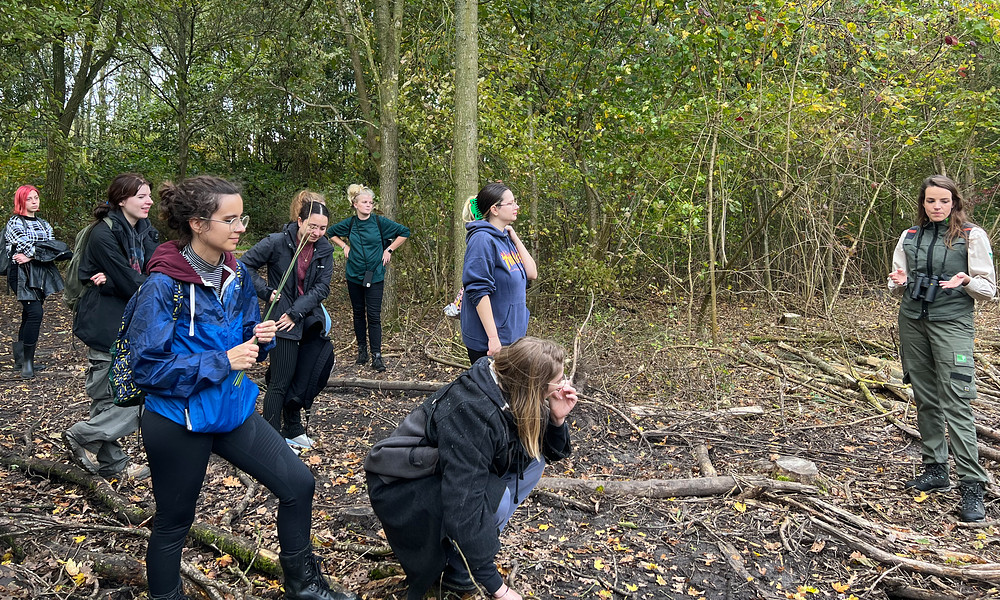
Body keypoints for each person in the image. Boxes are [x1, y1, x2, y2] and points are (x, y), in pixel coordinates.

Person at [127, 176, 358, 600]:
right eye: (229, 219)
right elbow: (146, 368)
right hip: (178, 419)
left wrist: (259, 338)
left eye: (242, 217)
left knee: (298, 483)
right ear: (198, 224)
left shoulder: (235, 274)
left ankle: (303, 586)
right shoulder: (163, 284)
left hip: (230, 409)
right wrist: (223, 360)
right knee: (174, 522)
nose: (240, 228)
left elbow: (243, 344)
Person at [365, 337, 578, 600]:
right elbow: (463, 503)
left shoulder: (510, 389)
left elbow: (550, 451)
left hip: (437, 470)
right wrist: (496, 587)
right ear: (533, 386)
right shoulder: (473, 412)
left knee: (534, 462)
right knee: (496, 499)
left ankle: (464, 552)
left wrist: (558, 420)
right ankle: (459, 567)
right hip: (400, 486)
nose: (563, 385)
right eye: (558, 381)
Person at [888, 174, 995, 522]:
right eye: (930, 201)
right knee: (925, 397)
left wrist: (966, 281)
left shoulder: (972, 236)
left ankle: (972, 485)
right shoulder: (910, 236)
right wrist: (899, 283)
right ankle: (936, 469)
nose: (936, 207)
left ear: (955, 203)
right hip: (913, 322)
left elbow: (989, 288)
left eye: (943, 201)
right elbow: (895, 284)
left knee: (957, 400)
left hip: (952, 324)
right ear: (922, 203)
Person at [64, 174, 159, 480]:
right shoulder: (101, 235)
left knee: (114, 397)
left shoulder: (145, 232)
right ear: (122, 200)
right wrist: (129, 283)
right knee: (119, 397)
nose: (149, 201)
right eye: (142, 196)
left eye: (149, 196)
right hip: (105, 325)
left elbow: (158, 271)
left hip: (133, 325)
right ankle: (85, 436)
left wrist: (120, 282)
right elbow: (134, 283)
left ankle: (108, 460)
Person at [242, 191, 333, 452]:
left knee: (304, 377)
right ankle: (271, 440)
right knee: (280, 380)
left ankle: (292, 429)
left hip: (307, 319)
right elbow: (243, 265)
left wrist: (297, 312)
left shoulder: (325, 248)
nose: (317, 232)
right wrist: (267, 291)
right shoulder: (277, 242)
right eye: (313, 226)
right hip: (279, 321)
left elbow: (321, 288)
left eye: (323, 228)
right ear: (300, 221)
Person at [327, 184, 409, 372]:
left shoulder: (380, 223)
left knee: (373, 316)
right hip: (354, 275)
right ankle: (361, 352)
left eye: (371, 202)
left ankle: (377, 356)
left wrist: (389, 249)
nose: (368, 205)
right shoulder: (349, 224)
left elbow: (404, 232)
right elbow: (330, 232)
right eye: (364, 202)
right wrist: (344, 246)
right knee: (358, 313)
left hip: (376, 275)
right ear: (355, 204)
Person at [461, 182, 537, 365]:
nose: (516, 206)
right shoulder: (482, 240)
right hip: (491, 341)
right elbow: (478, 290)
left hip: (512, 336)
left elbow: (532, 273)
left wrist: (515, 237)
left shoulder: (505, 238)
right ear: (494, 209)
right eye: (510, 203)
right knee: (493, 392)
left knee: (510, 392)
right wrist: (493, 338)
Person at [4, 185, 64, 379]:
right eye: (29, 198)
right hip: (20, 273)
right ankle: (27, 363)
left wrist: (31, 256)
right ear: (21, 201)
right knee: (35, 312)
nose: (34, 201)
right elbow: (23, 244)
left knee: (28, 314)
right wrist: (38, 252)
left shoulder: (45, 224)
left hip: (40, 272)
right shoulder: (14, 223)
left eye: (36, 197)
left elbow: (53, 248)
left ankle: (21, 359)